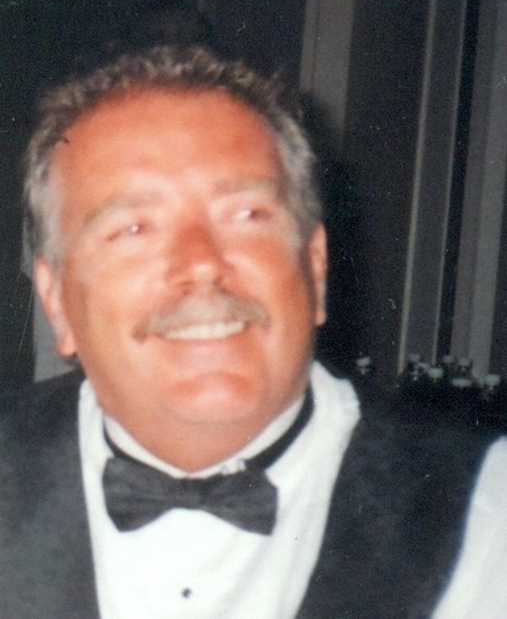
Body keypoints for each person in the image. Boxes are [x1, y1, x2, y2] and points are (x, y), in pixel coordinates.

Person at [0, 45, 505, 619]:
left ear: (314, 266)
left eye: (246, 216)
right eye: (133, 228)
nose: (201, 263)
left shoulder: (487, 517)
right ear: (56, 302)